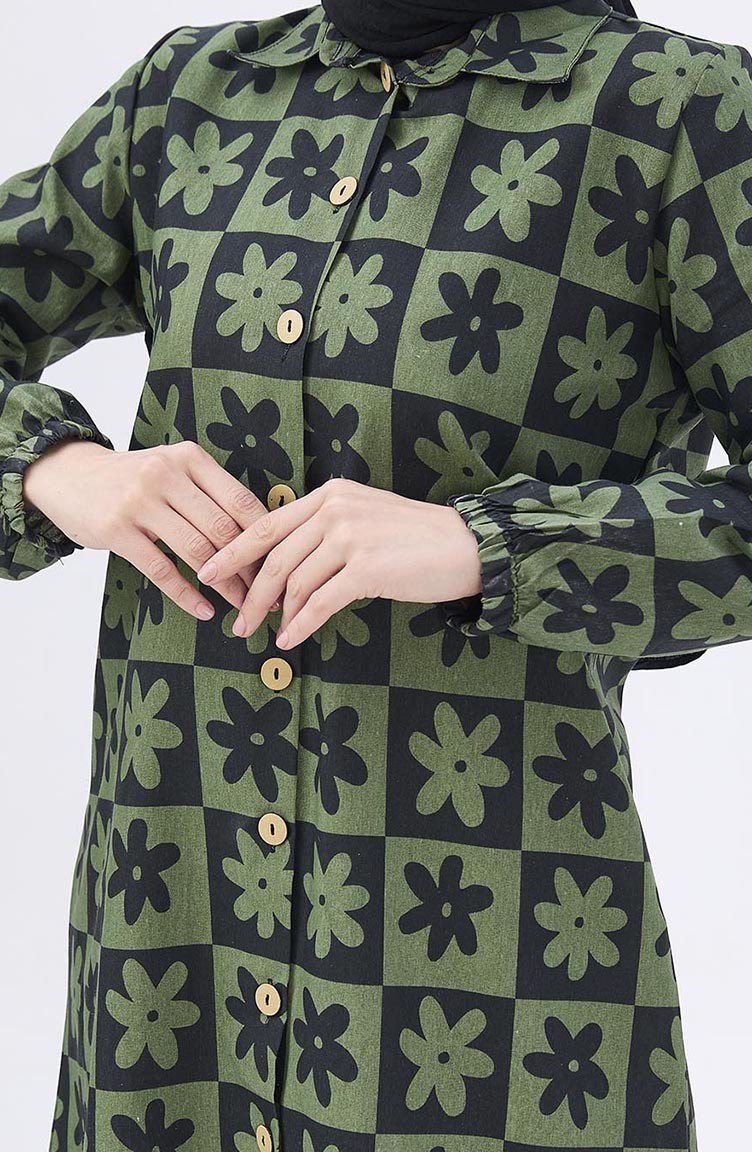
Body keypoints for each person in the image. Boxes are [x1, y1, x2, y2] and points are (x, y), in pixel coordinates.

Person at [1, 1, 750, 1148]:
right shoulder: (190, 96)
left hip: (492, 989)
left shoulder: (668, 114)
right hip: (171, 950)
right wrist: (55, 465)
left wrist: (486, 546)